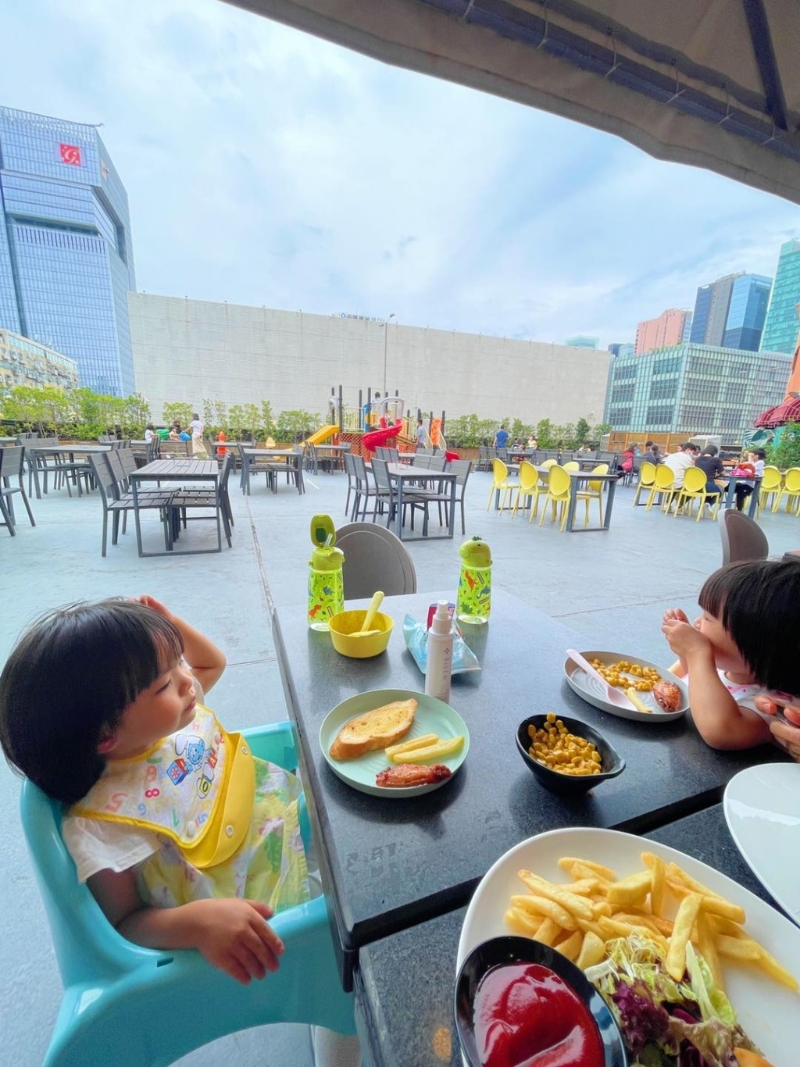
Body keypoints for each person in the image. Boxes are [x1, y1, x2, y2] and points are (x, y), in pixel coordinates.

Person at [0, 597, 360, 1067]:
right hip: (260, 896)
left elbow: (214, 661)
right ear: (106, 736)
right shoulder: (104, 823)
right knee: (354, 935)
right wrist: (199, 924)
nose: (189, 680)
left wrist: (167, 629)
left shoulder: (161, 729)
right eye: (167, 681)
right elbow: (126, 923)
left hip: (278, 829)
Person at [662, 560, 800, 759]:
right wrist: (686, 654)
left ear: (755, 644)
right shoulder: (724, 669)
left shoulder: (775, 706)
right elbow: (692, 681)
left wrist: (697, 653)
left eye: (709, 618)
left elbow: (721, 732)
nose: (698, 622)